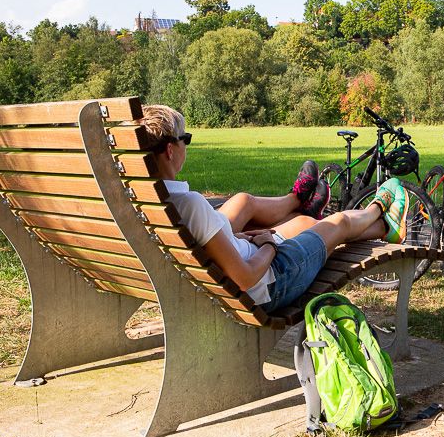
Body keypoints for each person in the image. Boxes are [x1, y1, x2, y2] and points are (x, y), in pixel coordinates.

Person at [140, 105, 409, 313]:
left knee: (303, 224)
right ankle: (379, 211)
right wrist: (269, 245)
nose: (186, 144)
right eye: (185, 138)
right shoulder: (189, 204)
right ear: (170, 151)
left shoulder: (148, 201)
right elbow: (244, 279)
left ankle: (383, 227)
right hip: (271, 282)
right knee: (337, 224)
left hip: (232, 275)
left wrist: (239, 238)